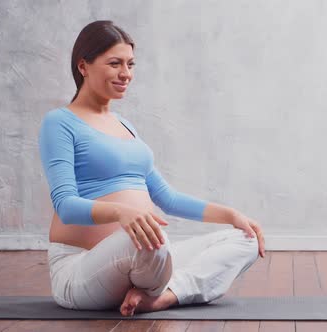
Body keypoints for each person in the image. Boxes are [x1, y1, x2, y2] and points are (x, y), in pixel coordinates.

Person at [38, 20, 265, 316]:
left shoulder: (125, 126)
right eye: (115, 64)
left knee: (244, 239)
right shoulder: (60, 123)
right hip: (82, 268)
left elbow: (167, 199)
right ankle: (163, 287)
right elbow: (65, 206)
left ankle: (165, 296)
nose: (126, 74)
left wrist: (232, 215)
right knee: (151, 244)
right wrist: (122, 212)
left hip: (143, 257)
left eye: (131, 64)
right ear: (84, 66)